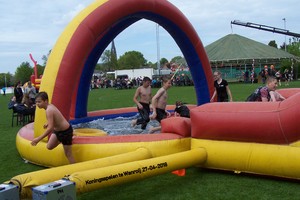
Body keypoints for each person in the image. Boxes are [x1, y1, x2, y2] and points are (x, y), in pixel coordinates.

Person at [31, 91, 75, 164]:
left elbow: (50, 129)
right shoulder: (49, 107)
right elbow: (56, 117)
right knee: (49, 146)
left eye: (39, 102)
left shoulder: (49, 110)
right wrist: (48, 123)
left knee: (68, 154)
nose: (37, 104)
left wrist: (38, 139)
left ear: (46, 101)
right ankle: (61, 140)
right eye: (36, 102)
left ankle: (75, 170)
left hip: (66, 132)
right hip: (58, 131)